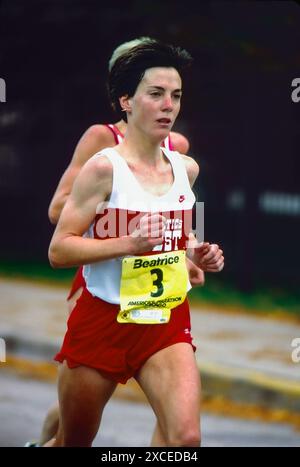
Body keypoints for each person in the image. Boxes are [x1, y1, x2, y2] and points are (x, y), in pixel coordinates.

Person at [47, 39, 224, 447]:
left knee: (186, 440)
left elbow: (180, 235)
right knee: (72, 442)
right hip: (103, 320)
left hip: (164, 321)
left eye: (176, 96)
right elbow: (59, 250)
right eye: (156, 94)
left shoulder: (186, 168)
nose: (169, 105)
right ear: (126, 101)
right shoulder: (103, 167)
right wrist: (129, 243)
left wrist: (197, 253)